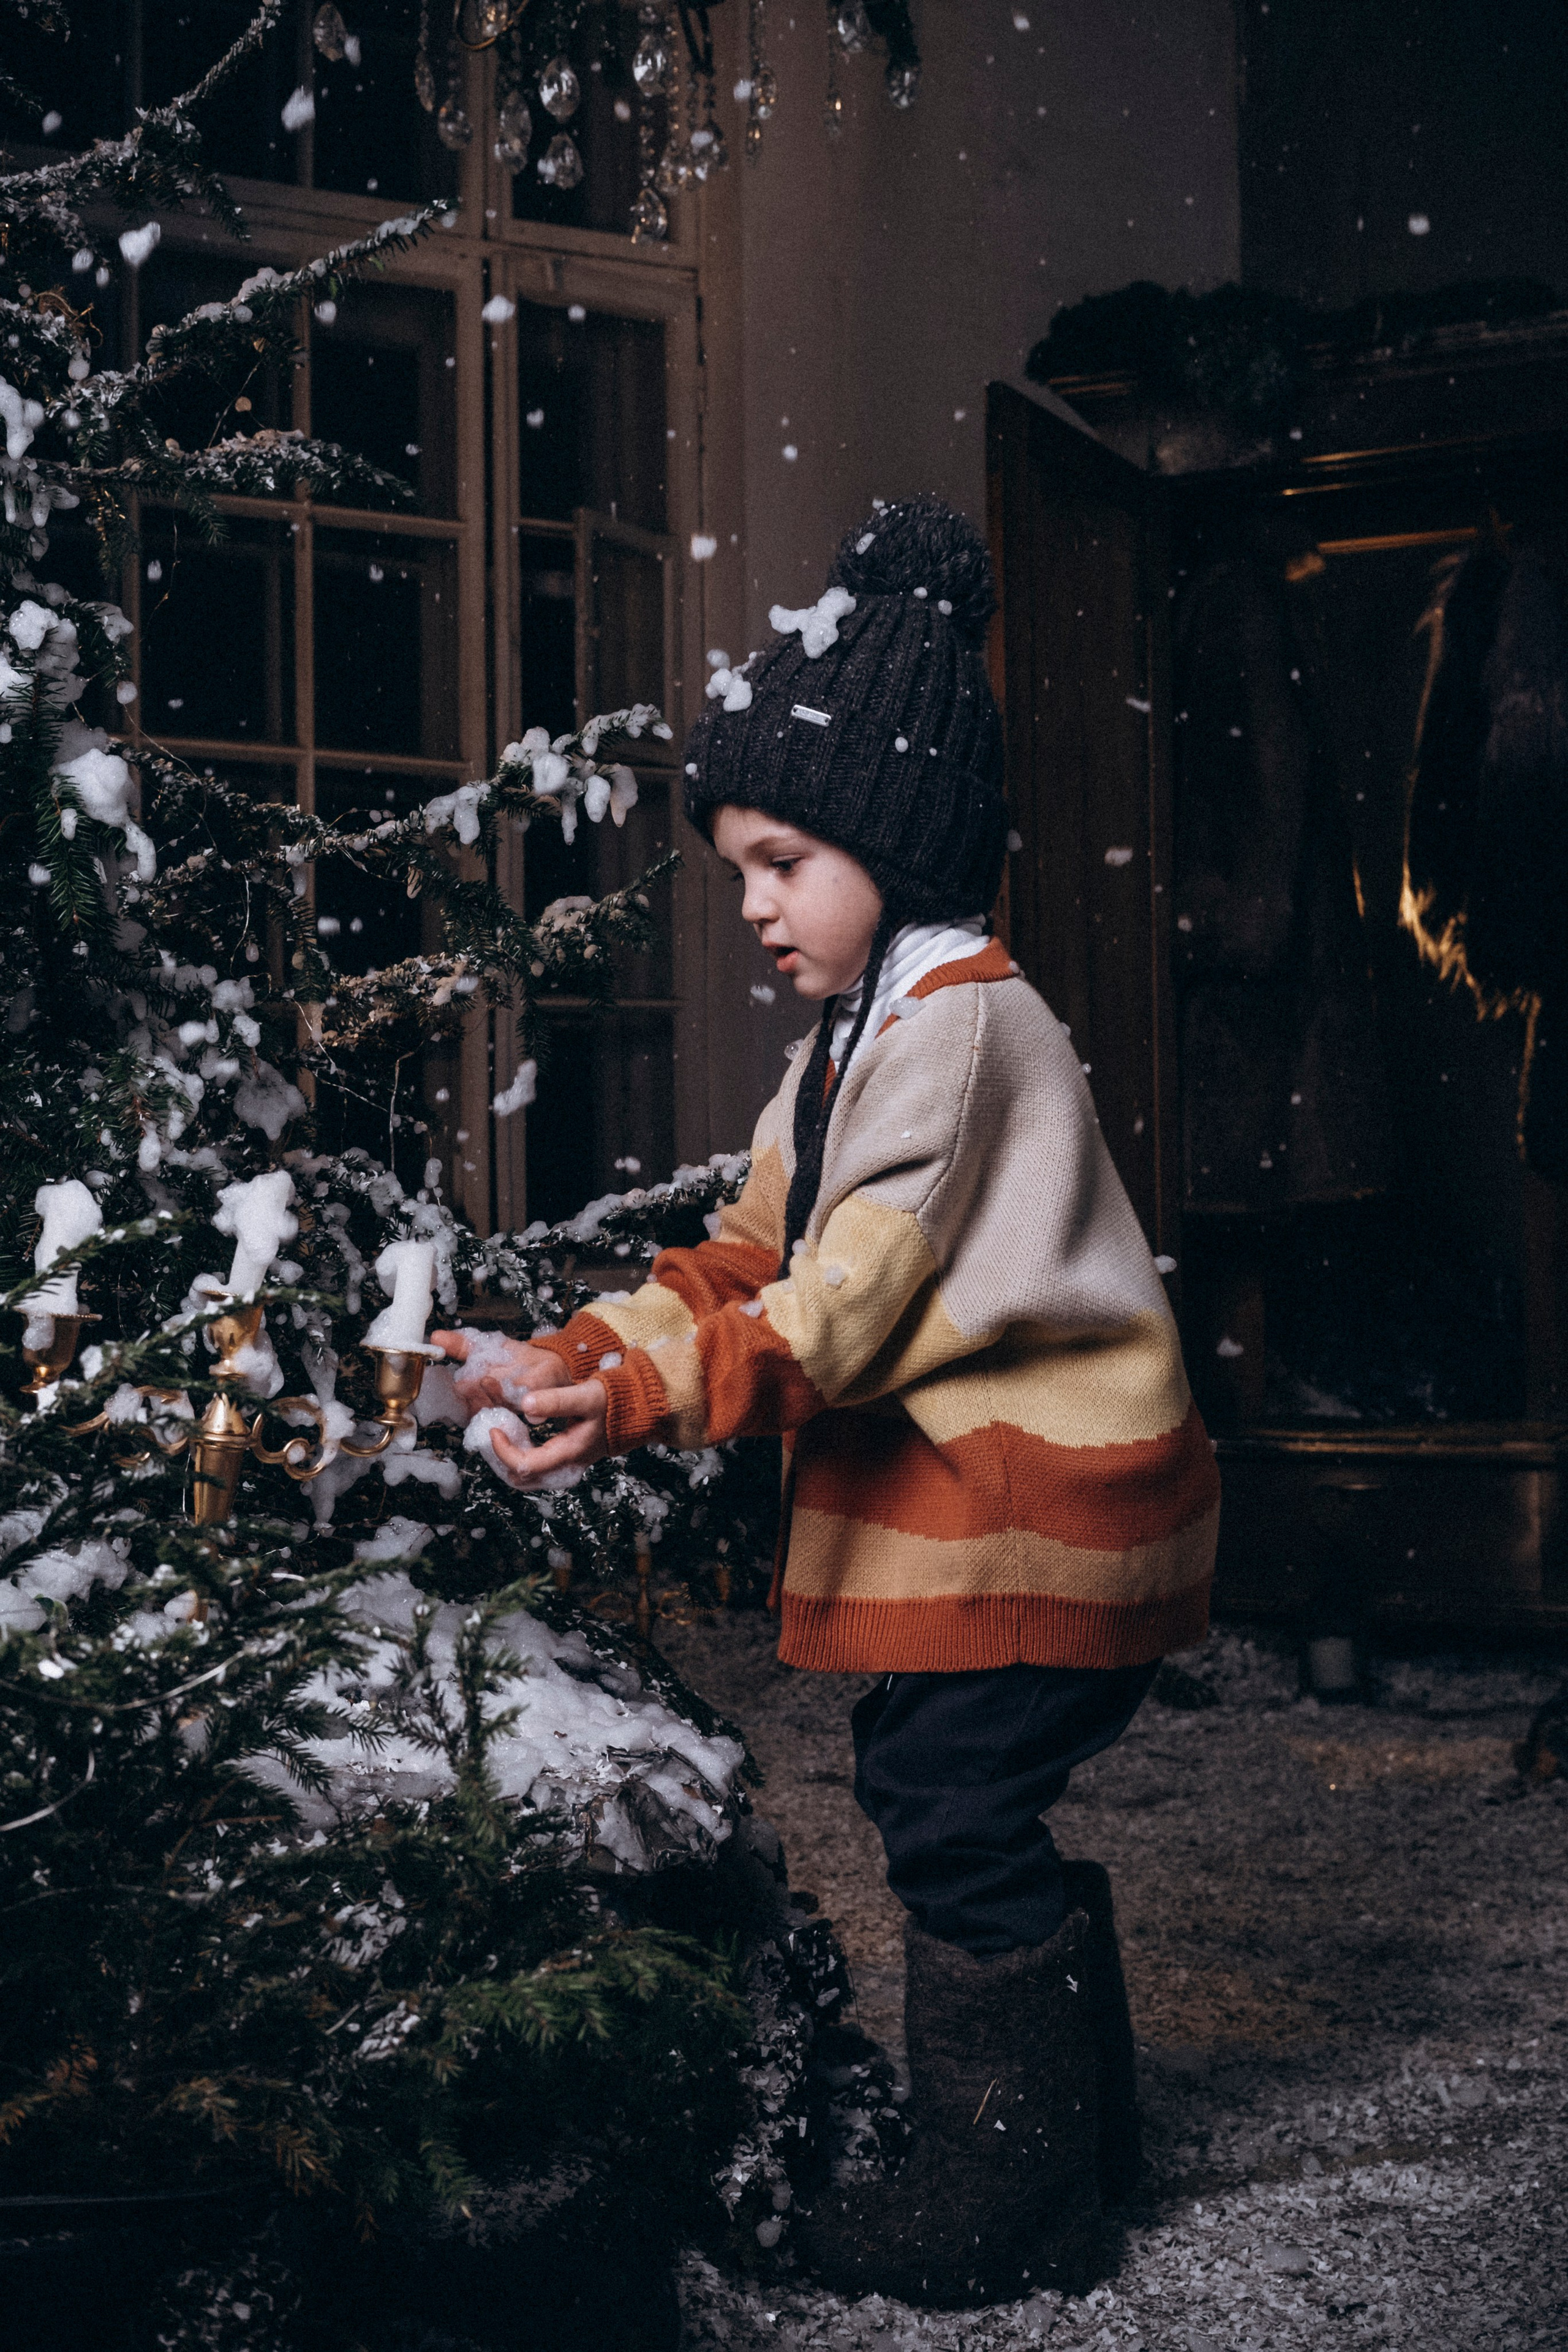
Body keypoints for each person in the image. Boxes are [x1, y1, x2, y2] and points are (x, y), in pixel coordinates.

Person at [434, 496, 1219, 2308]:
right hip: (995, 1493)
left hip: (1045, 1499)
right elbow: (745, 1252)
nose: (757, 905)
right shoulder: (858, 1039)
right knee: (940, 1781)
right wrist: (583, 1346)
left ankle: (1007, 2186)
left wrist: (642, 1400)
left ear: (901, 838)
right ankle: (1076, 2134)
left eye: (784, 859)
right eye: (737, 872)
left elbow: (843, 1310)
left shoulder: (962, 1030)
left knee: (950, 1801)